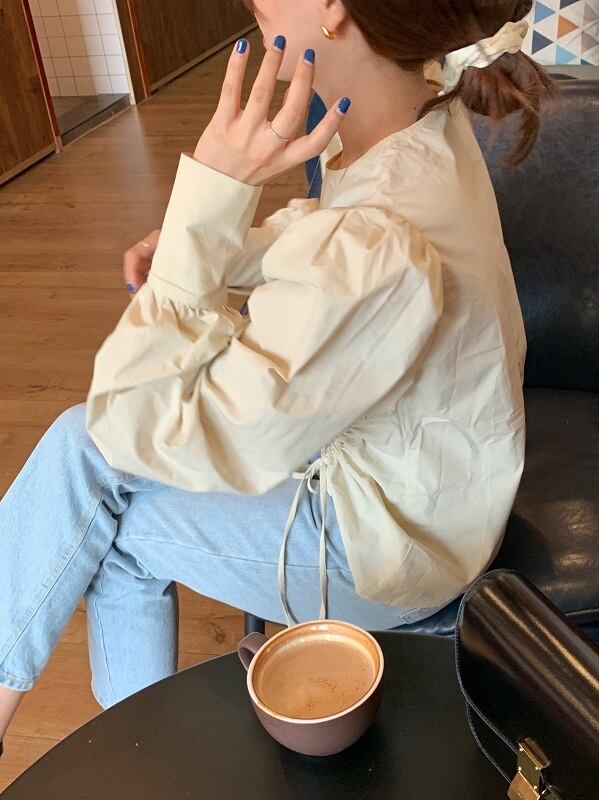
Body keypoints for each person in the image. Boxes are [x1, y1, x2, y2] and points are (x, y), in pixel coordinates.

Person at [0, 0, 551, 755]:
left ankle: (131, 757)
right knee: (83, 463)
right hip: (427, 491)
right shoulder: (418, 124)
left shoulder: (382, 232)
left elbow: (143, 425)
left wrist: (205, 212)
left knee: (107, 512)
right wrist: (212, 245)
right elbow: (330, 232)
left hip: (392, 551)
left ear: (333, 11)